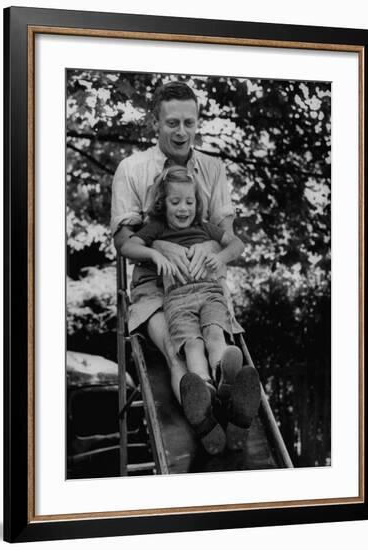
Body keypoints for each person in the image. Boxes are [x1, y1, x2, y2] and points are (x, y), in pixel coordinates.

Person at [111, 80, 260, 453]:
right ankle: (206, 416)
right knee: (179, 351)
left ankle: (225, 395)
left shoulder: (212, 168)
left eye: (189, 123)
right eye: (172, 123)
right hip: (155, 284)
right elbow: (125, 241)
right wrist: (160, 246)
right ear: (155, 124)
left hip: (201, 280)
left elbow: (225, 234)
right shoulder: (133, 169)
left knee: (213, 336)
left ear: (197, 123)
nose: (181, 132)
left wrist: (213, 251)